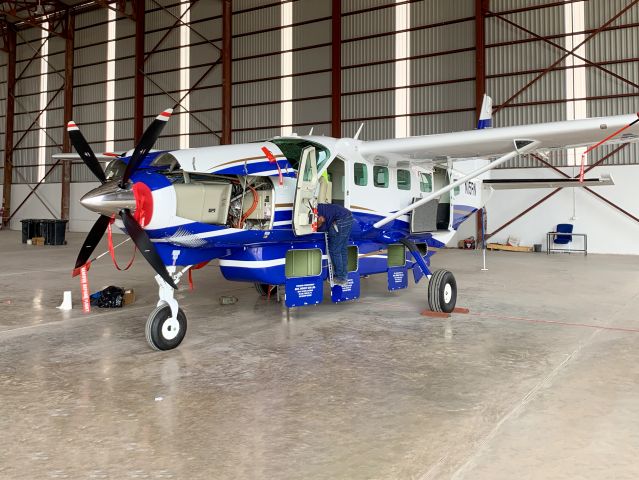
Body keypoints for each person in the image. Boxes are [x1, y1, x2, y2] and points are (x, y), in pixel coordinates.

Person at [316, 203, 354, 287]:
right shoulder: (318, 207)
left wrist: (318, 225)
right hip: (349, 217)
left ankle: (340, 277)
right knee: (342, 249)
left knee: (335, 250)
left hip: (340, 222)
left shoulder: (316, 213)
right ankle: (343, 276)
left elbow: (321, 220)